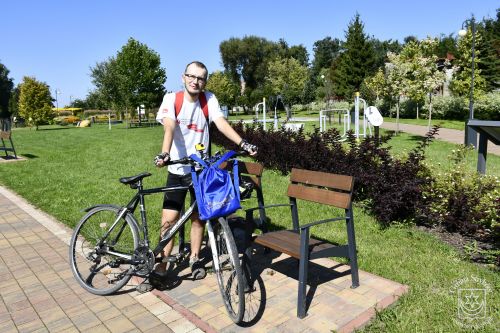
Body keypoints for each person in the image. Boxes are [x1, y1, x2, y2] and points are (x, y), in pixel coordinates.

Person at [153, 61, 257, 280]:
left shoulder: (209, 99)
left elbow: (220, 123)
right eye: (191, 76)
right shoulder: (172, 99)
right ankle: (161, 266)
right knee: (169, 219)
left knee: (199, 218)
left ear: (205, 81)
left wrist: (243, 143)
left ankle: (194, 257)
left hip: (201, 171)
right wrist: (165, 153)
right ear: (183, 77)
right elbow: (169, 126)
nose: (195, 81)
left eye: (200, 78)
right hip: (179, 169)